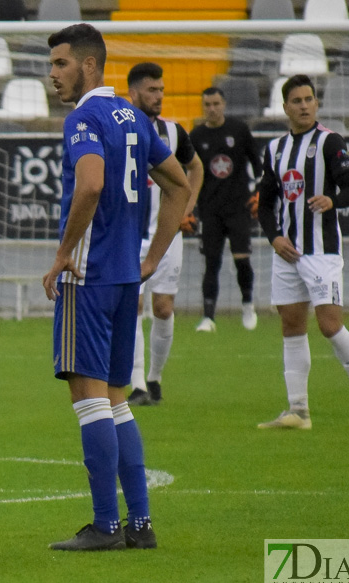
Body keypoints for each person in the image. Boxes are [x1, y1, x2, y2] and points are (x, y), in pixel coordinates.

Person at [41, 24, 190, 550]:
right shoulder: (133, 116)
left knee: (88, 399)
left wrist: (62, 255)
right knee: (118, 398)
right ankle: (141, 525)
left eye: (60, 63)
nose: (52, 74)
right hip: (127, 277)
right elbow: (181, 183)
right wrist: (150, 256)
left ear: (88, 65)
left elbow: (92, 183)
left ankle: (105, 526)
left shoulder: (84, 118)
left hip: (88, 277)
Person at [255, 74, 349, 431]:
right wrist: (274, 238)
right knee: (291, 324)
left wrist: (333, 200)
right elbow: (265, 205)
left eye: (309, 99)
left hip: (322, 251)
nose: (305, 105)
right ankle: (298, 410)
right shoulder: (276, 149)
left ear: (316, 103)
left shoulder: (330, 142)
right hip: (288, 252)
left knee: (329, 325)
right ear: (285, 108)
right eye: (297, 100)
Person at [125, 62, 203, 407]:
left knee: (163, 307)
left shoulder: (174, 132)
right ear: (133, 92)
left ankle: (154, 378)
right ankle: (138, 384)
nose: (158, 96)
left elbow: (196, 167)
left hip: (167, 235)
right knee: (133, 304)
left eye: (161, 90)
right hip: (129, 234)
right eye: (152, 90)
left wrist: (186, 208)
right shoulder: (120, 131)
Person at [189, 87, 262, 333]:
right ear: (203, 106)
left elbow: (258, 163)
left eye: (216, 103)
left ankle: (247, 305)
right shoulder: (196, 136)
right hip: (209, 210)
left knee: (242, 260)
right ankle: (208, 317)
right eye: (207, 104)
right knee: (211, 263)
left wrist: (259, 192)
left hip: (238, 208)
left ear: (224, 103)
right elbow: (187, 171)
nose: (212, 108)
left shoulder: (239, 130)